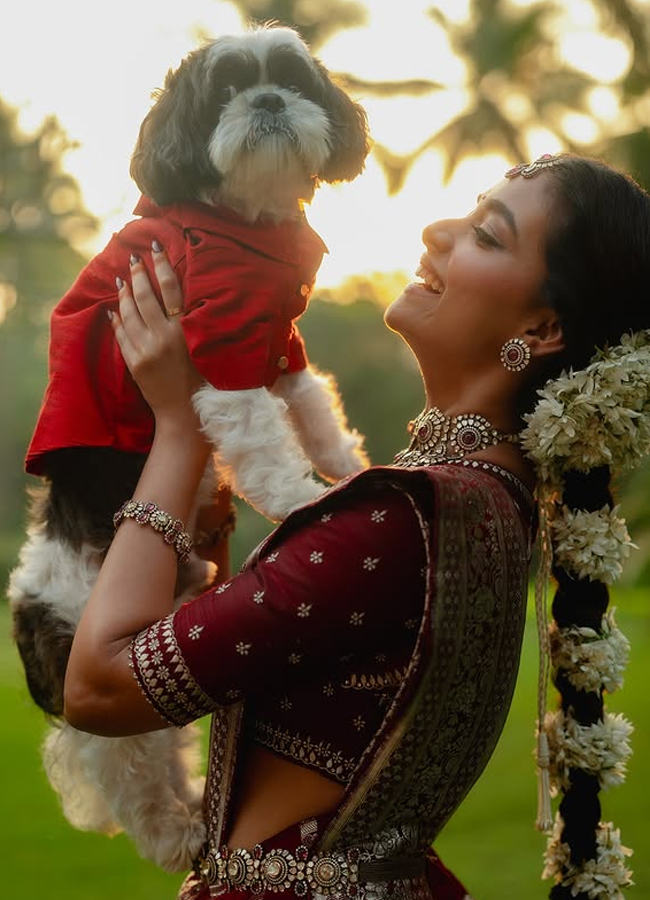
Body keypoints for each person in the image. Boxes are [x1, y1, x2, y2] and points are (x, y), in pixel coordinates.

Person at [62, 153, 650, 900]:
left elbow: (100, 687)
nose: (437, 233)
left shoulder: (400, 521)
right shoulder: (494, 504)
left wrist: (181, 426)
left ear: (540, 328)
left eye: (486, 237)